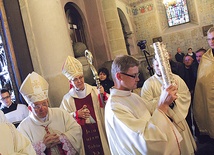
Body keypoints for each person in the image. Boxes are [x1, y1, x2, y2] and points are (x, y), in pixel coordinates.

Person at [105, 54, 185, 154]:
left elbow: (151, 111)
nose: (138, 79)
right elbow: (145, 142)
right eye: (134, 75)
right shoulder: (115, 107)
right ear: (119, 76)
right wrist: (163, 105)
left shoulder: (132, 96)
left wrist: (165, 97)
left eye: (137, 75)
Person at [141, 57, 196, 154]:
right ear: (153, 66)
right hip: (163, 121)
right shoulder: (148, 84)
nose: (160, 68)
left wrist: (174, 98)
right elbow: (147, 104)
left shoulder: (176, 79)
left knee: (184, 147)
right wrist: (163, 100)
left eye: (162, 65)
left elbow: (185, 94)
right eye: (157, 65)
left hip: (177, 117)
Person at [18, 72, 82, 155]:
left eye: (44, 104)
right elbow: (22, 151)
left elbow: (77, 130)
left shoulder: (61, 113)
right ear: (30, 108)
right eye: (37, 106)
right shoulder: (23, 127)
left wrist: (61, 138)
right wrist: (42, 145)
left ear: (48, 102)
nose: (42, 109)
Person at [60, 56, 110, 155]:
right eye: (75, 79)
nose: (79, 81)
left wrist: (104, 96)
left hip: (99, 131)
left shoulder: (95, 91)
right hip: (82, 136)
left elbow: (110, 104)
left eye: (80, 77)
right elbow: (62, 118)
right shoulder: (67, 99)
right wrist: (75, 114)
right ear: (70, 82)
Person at [193, 27, 214, 140]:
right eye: (209, 39)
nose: (211, 42)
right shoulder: (205, 58)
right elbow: (202, 80)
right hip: (210, 98)